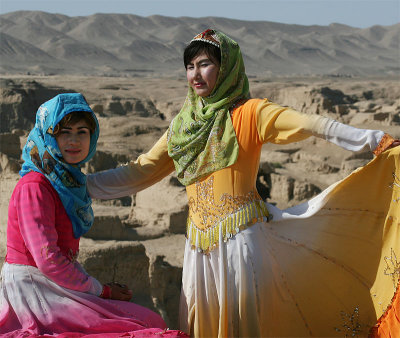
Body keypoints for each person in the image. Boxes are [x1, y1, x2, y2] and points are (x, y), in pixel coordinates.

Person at [87, 30, 400, 337]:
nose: (196, 74)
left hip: (240, 245)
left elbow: (311, 125)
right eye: (190, 66)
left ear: (226, 68)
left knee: (243, 323)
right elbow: (142, 169)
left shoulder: (250, 113)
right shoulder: (183, 128)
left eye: (205, 64)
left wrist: (374, 139)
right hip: (197, 249)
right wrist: (80, 184)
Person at [0, 93, 188, 337]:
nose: (74, 141)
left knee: (148, 320)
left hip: (54, 284)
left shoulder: (68, 182)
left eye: (82, 132)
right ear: (48, 136)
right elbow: (48, 260)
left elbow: (125, 178)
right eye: (64, 132)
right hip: (34, 290)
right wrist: (101, 291)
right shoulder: (35, 186)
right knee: (142, 327)